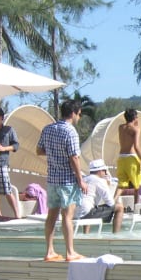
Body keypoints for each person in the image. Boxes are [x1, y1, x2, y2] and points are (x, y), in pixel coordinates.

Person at [36, 100, 88, 262]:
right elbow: (74, 156)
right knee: (67, 216)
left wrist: (53, 153)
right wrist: (81, 180)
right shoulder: (70, 131)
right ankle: (70, 252)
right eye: (79, 114)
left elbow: (39, 150)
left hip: (52, 179)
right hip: (67, 180)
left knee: (51, 215)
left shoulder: (48, 128)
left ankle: (49, 251)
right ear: (73, 113)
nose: (79, 117)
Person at [79, 159, 125, 233]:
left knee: (90, 206)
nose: (106, 173)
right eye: (105, 171)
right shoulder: (99, 180)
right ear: (100, 171)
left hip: (76, 213)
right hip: (86, 214)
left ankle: (86, 234)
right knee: (119, 207)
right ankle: (116, 235)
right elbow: (110, 203)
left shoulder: (84, 179)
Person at [115, 108, 141, 200]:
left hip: (121, 157)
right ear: (135, 117)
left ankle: (113, 201)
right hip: (131, 158)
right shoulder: (136, 129)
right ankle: (136, 206)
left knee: (122, 184)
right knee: (137, 185)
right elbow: (136, 146)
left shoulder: (121, 127)